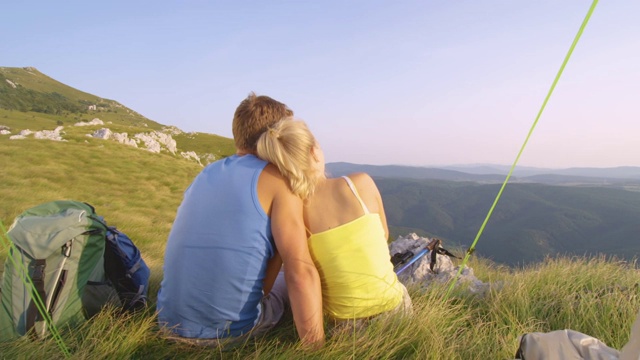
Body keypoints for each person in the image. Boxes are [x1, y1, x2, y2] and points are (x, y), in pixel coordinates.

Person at [157, 93, 324, 348]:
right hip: (228, 336)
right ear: (277, 135)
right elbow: (300, 272)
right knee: (298, 274)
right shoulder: (278, 181)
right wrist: (318, 351)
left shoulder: (206, 173)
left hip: (167, 325)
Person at [256, 118, 412, 332]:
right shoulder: (361, 183)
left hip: (344, 327)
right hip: (395, 312)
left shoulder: (293, 212)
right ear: (314, 151)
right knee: (399, 289)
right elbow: (383, 235)